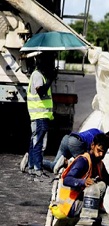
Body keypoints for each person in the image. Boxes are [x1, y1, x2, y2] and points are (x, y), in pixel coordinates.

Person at [55, 133, 109, 219]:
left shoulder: (99, 164)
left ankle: (94, 212)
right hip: (69, 206)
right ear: (92, 146)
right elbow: (67, 180)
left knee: (102, 183)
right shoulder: (83, 161)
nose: (101, 155)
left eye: (103, 152)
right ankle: (92, 213)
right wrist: (83, 182)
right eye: (99, 150)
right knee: (100, 185)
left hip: (79, 203)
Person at [21, 52, 57, 181]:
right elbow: (41, 92)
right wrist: (50, 79)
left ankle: (31, 167)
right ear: (43, 62)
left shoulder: (39, 74)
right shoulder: (37, 75)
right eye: (49, 62)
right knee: (38, 143)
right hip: (39, 115)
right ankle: (37, 169)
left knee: (34, 141)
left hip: (41, 115)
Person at [41, 127, 109, 174]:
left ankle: (32, 160)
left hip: (67, 138)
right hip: (76, 143)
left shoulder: (97, 131)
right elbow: (91, 156)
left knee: (53, 166)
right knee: (83, 165)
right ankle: (66, 162)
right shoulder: (100, 140)